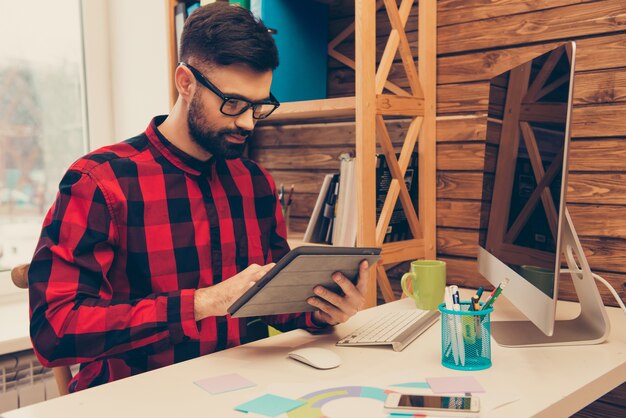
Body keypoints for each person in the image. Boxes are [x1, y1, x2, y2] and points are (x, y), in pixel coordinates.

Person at [28, 3, 370, 393]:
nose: (247, 122)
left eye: (259, 106)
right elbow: (54, 331)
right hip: (136, 395)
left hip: (245, 390)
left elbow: (275, 300)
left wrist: (324, 310)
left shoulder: (254, 182)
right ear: (185, 82)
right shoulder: (100, 181)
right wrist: (201, 303)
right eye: (234, 104)